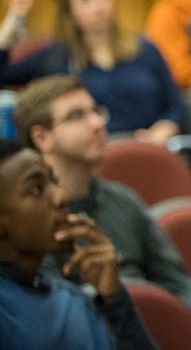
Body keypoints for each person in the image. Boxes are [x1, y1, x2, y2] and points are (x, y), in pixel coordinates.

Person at [13, 75, 191, 323]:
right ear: (42, 137)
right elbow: (55, 314)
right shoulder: (31, 220)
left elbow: (178, 285)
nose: (97, 123)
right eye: (76, 116)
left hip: (156, 328)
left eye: (95, 111)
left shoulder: (124, 199)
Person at [0, 0, 185, 146]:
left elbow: (175, 106)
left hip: (149, 150)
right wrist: (14, 19)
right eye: (86, 0)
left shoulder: (145, 49)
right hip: (87, 157)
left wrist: (165, 128)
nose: (98, 6)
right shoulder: (54, 59)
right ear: (69, 12)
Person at [0, 139, 157, 349]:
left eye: (54, 181)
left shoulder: (74, 300)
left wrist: (115, 298)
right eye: (36, 190)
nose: (61, 197)